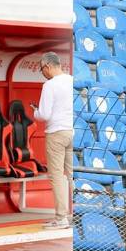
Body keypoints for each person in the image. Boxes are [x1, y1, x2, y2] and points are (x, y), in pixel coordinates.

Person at [30, 52, 73, 230]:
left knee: (57, 176)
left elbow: (45, 114)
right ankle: (76, 215)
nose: (42, 73)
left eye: (42, 69)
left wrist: (35, 111)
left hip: (56, 133)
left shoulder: (49, 85)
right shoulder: (71, 80)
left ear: (47, 66)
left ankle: (61, 217)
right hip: (72, 131)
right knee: (71, 175)